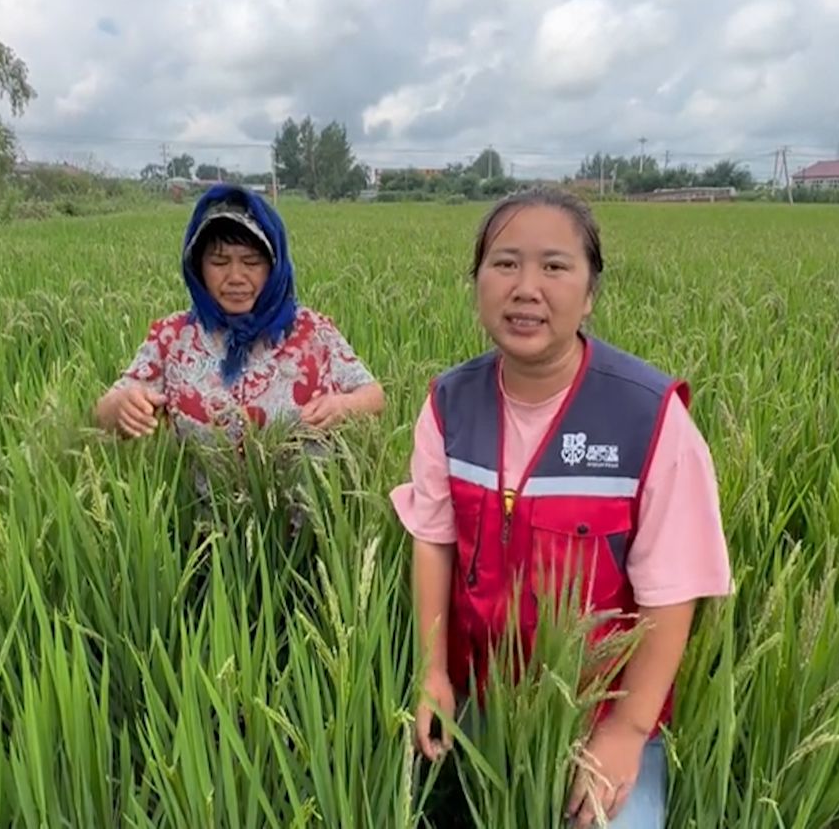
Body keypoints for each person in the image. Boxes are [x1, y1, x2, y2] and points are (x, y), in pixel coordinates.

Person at [391, 188, 732, 828]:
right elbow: (434, 537)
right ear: (477, 283)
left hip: (601, 714)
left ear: (590, 291)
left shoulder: (649, 417)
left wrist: (627, 731)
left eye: (554, 266)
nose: (526, 288)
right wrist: (433, 671)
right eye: (504, 263)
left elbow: (673, 590)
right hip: (485, 701)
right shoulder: (448, 406)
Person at [94, 183, 385, 442]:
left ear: (274, 267)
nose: (235, 277)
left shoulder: (312, 331)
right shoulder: (173, 338)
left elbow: (373, 395)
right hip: (200, 502)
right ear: (198, 267)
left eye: (251, 262)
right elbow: (104, 410)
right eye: (219, 262)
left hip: (304, 500)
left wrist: (344, 407)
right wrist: (121, 407)